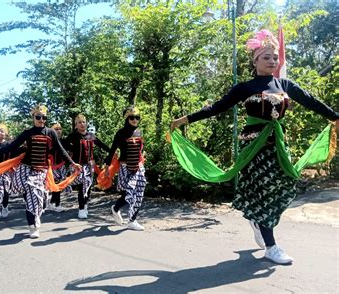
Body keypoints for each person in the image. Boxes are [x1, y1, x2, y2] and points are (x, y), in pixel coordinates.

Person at [170, 29, 339, 264]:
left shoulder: (284, 84)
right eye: (266, 57)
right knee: (265, 191)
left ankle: (259, 221)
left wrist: (335, 117)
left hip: (278, 147)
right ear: (255, 61)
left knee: (283, 187)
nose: (272, 61)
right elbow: (216, 108)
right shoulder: (245, 88)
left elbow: (310, 100)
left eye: (275, 57)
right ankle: (271, 246)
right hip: (254, 149)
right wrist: (184, 119)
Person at [0, 105, 81, 238]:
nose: (41, 120)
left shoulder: (51, 132)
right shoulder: (28, 132)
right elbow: (10, 146)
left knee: (40, 199)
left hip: (42, 171)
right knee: (32, 194)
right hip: (26, 170)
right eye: (38, 117)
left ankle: (37, 216)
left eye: (44, 117)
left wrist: (73, 163)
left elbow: (61, 150)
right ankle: (33, 226)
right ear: (33, 118)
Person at [105, 106, 146, 231]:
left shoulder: (139, 131)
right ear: (127, 118)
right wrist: (107, 167)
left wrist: (142, 160)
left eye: (137, 117)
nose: (135, 120)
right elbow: (112, 150)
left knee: (138, 194)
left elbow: (140, 149)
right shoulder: (121, 133)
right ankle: (116, 208)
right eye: (132, 118)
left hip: (138, 168)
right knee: (128, 193)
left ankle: (132, 220)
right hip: (125, 167)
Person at [66, 114, 110, 219]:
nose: (82, 124)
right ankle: (81, 209)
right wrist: (73, 150)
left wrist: (112, 152)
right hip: (78, 166)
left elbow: (102, 145)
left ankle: (84, 205)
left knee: (87, 187)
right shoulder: (73, 136)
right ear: (76, 125)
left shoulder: (91, 135)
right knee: (82, 186)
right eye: (79, 122)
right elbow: (63, 144)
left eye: (84, 122)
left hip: (90, 166)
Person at [47, 122, 71, 212]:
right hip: (52, 166)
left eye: (60, 129)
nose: (59, 131)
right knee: (57, 185)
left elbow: (73, 149)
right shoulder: (49, 142)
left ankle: (52, 203)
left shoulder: (64, 141)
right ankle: (57, 205)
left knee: (59, 185)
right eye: (56, 129)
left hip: (61, 166)